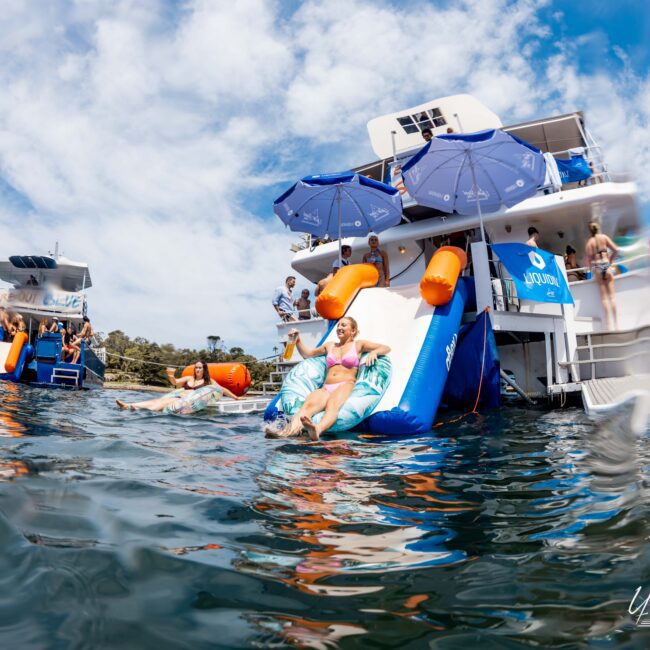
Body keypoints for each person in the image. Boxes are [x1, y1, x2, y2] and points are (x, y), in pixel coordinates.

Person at [265, 317, 390, 441]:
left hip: (346, 384)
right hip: (326, 387)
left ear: (353, 331)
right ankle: (288, 432)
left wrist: (375, 352)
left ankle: (317, 430)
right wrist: (297, 340)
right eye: (338, 325)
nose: (339, 328)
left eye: (344, 325)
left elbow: (385, 348)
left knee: (332, 406)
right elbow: (307, 354)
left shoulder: (358, 345)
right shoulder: (329, 346)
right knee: (307, 406)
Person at [116, 361, 243, 411]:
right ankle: (130, 405)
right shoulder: (189, 378)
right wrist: (171, 375)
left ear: (204, 370)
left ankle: (133, 407)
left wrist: (236, 398)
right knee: (157, 400)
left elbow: (222, 389)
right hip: (178, 397)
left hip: (184, 401)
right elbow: (175, 382)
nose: (197, 370)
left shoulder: (209, 382)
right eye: (196, 368)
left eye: (200, 368)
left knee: (159, 404)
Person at [585, 222, 619, 330]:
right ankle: (616, 324)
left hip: (598, 267)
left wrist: (592, 269)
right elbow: (616, 250)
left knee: (604, 299)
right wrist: (610, 260)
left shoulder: (589, 243)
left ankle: (608, 326)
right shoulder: (604, 237)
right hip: (606, 264)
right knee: (612, 297)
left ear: (589, 231)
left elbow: (589, 261)